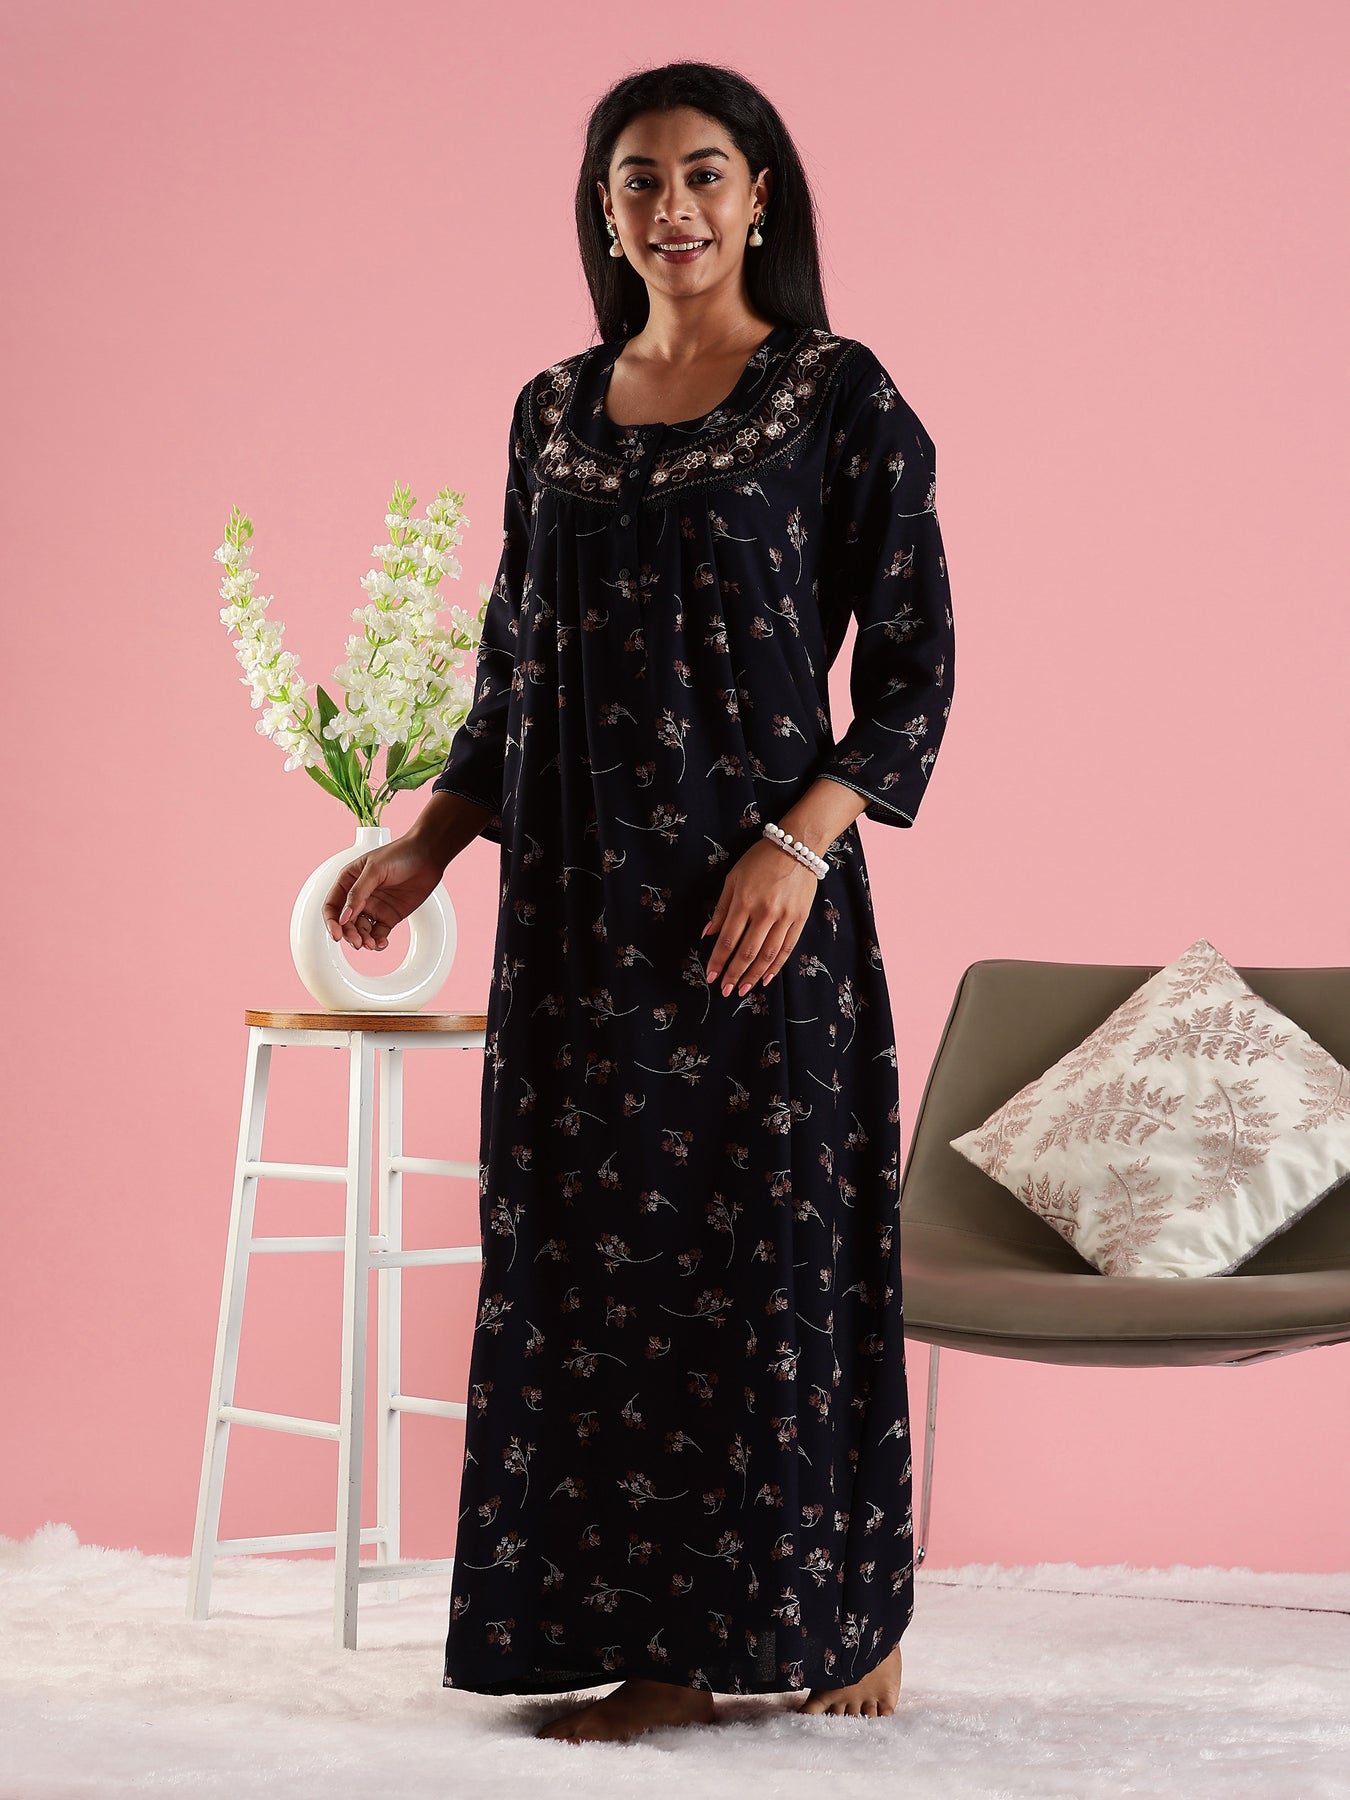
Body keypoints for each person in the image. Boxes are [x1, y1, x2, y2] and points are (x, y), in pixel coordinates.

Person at [322, 60, 955, 1745]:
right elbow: (513, 661)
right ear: (603, 212)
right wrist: (431, 841)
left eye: (701, 173)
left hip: (753, 917)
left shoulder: (834, 394)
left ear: (758, 196)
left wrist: (795, 846)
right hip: (573, 917)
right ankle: (640, 1631)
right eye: (636, 181)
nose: (670, 206)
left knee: (772, 1259)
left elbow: (910, 666)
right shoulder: (551, 412)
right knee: (590, 1268)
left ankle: (826, 1614)